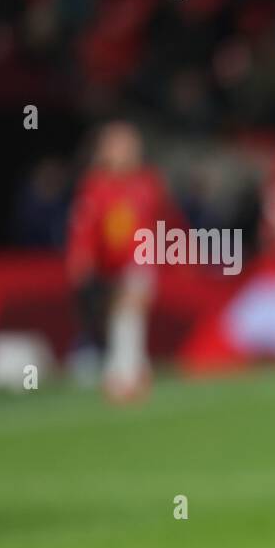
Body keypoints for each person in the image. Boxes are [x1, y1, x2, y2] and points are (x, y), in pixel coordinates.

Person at [66, 121, 174, 402]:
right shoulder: (95, 187)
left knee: (130, 310)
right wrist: (81, 259)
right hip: (106, 267)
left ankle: (122, 376)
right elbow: (84, 227)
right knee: (117, 318)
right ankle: (134, 369)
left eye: (130, 146)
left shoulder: (147, 183)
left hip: (140, 260)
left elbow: (163, 222)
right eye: (119, 146)